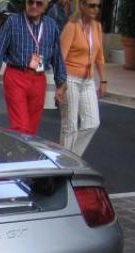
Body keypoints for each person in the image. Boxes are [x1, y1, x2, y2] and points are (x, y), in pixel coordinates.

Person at [0, 0, 67, 136]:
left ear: (45, 6)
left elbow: (57, 57)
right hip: (16, 77)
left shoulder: (51, 26)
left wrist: (61, 84)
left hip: (39, 80)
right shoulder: (13, 22)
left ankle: (21, 155)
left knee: (32, 129)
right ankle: (16, 154)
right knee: (20, 127)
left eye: (39, 3)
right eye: (30, 2)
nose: (34, 6)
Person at [58, 0, 107, 156]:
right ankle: (64, 164)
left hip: (88, 81)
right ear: (82, 5)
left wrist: (103, 81)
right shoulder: (72, 27)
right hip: (70, 79)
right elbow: (60, 58)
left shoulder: (97, 27)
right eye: (92, 5)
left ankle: (70, 157)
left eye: (98, 6)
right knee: (70, 126)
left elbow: (99, 57)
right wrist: (60, 84)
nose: (95, 9)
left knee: (92, 123)